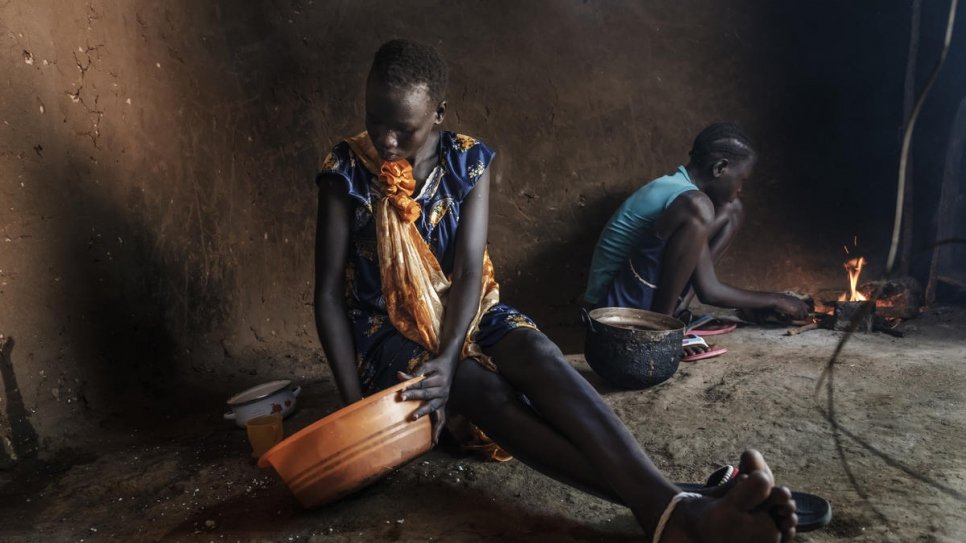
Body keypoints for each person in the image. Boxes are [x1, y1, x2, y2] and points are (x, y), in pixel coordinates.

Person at [314, 39, 797, 542]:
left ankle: (672, 507)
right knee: (478, 385)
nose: (386, 141)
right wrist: (355, 411)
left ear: (438, 113)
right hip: (384, 330)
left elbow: (470, 272)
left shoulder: (467, 160)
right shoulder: (345, 170)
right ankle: (679, 505)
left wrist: (449, 349)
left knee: (539, 351)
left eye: (404, 128)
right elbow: (327, 294)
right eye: (376, 120)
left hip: (463, 309)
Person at [584, 124, 811, 331]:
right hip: (611, 309)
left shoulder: (687, 195)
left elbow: (704, 284)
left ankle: (675, 312)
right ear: (720, 168)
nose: (741, 188)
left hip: (638, 294)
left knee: (732, 208)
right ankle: (662, 331)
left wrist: (754, 303)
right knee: (702, 206)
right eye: (742, 180)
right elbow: (709, 290)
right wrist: (776, 299)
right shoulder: (690, 202)